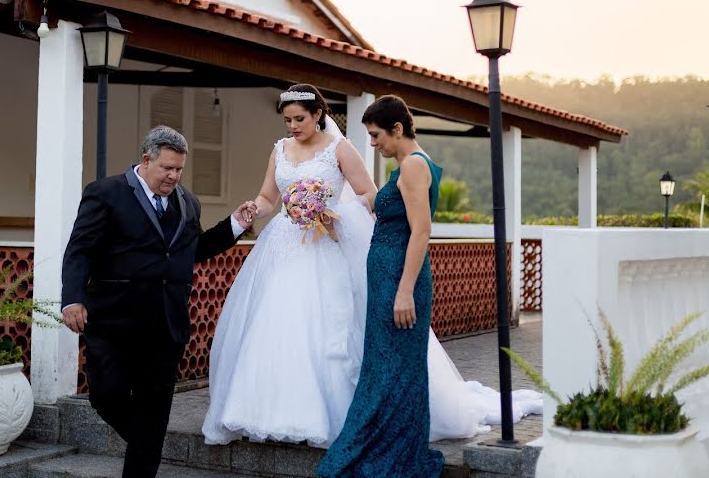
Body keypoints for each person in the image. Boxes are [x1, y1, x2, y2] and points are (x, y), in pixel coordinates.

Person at [203, 89, 542, 451]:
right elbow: (270, 198)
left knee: (325, 330)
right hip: (283, 246)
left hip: (325, 245)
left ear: (318, 114)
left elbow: (370, 195)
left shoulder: (340, 149)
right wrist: (253, 209)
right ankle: (263, 414)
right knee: (275, 326)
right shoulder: (279, 150)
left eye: (299, 118)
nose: (293, 126)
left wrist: (329, 212)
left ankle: (328, 417)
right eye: (287, 120)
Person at [60, 125, 256, 478]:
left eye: (179, 169)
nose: (174, 176)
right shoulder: (105, 193)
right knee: (105, 395)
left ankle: (143, 458)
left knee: (155, 407)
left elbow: (192, 250)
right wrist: (73, 299)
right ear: (146, 160)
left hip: (167, 321)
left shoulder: (188, 202)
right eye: (167, 168)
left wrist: (234, 226)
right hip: (114, 318)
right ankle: (146, 439)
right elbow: (80, 250)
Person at [318, 94, 446, 477]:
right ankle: (388, 444)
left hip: (400, 281)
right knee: (388, 366)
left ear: (397, 129)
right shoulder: (408, 167)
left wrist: (405, 291)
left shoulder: (413, 168)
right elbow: (391, 210)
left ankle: (391, 453)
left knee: (394, 369)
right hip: (389, 278)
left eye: (376, 136)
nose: (373, 144)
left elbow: (421, 232)